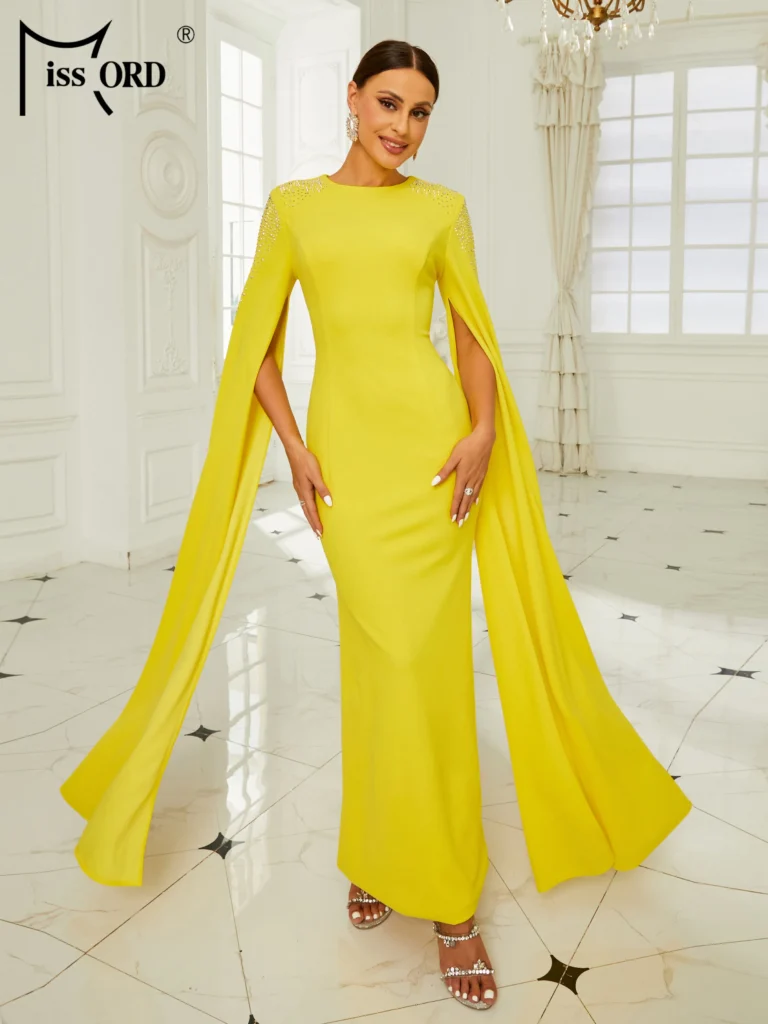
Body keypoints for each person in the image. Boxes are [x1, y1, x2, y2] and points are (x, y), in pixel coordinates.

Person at [60, 39, 693, 1013]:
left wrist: (482, 429)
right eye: (389, 102)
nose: (403, 126)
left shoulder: (442, 210)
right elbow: (256, 344)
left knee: (426, 669)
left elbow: (470, 334)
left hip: (434, 457)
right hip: (349, 464)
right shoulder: (295, 209)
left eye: (421, 111)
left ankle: (450, 901)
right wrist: (296, 449)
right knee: (377, 658)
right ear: (352, 98)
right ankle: (375, 849)